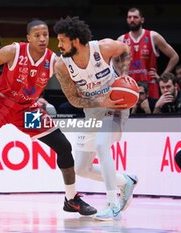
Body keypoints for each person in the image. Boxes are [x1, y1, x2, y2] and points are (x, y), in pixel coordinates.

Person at [0, 19, 97, 219]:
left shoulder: (54, 61)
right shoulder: (14, 51)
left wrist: (94, 98)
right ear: (28, 38)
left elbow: (73, 86)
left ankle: (71, 199)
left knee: (63, 146)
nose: (42, 38)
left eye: (45, 34)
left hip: (26, 110)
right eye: (37, 35)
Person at [53, 16, 138, 221]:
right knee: (82, 168)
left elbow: (125, 48)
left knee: (101, 145)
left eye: (62, 40)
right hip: (94, 111)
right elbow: (74, 99)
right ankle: (124, 181)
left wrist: (123, 75)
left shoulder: (103, 48)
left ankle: (112, 203)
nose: (59, 45)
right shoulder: (61, 66)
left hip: (116, 108)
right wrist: (101, 102)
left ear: (75, 40)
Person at [118, 7, 179, 99]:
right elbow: (113, 61)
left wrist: (162, 78)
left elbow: (174, 57)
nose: (132, 20)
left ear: (142, 20)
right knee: (130, 113)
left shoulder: (152, 36)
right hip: (130, 87)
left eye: (135, 17)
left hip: (150, 87)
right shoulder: (121, 40)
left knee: (152, 112)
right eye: (129, 17)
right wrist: (121, 74)